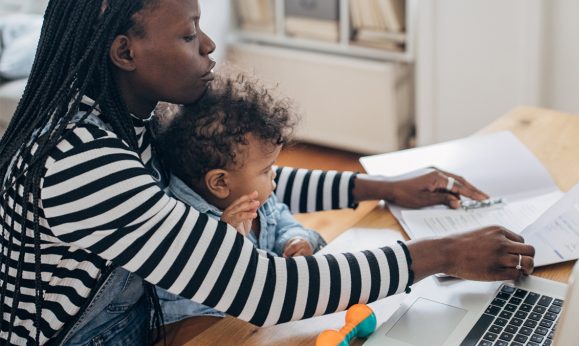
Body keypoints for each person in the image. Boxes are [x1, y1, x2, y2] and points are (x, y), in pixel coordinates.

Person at [0, 0, 535, 344]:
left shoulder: (120, 118)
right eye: (190, 35)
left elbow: (241, 178)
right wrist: (443, 254)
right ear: (125, 51)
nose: (209, 46)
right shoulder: (80, 162)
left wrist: (380, 187)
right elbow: (268, 289)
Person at [153, 74, 327, 323]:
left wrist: (296, 239)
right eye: (266, 170)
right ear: (221, 183)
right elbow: (179, 300)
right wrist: (224, 243)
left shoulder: (259, 199)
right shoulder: (184, 226)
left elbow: (282, 219)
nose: (274, 173)